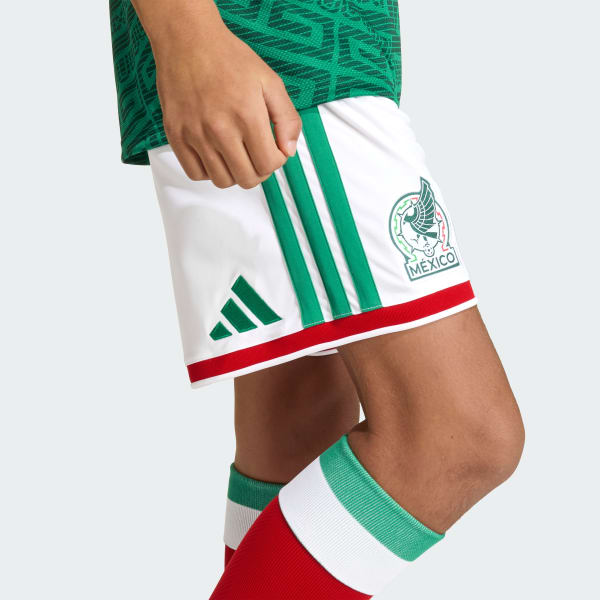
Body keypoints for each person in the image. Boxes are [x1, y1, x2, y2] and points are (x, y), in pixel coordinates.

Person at [110, 0, 525, 597]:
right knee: (459, 436)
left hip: (316, 53)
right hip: (277, 58)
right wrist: (190, 33)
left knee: (303, 421)